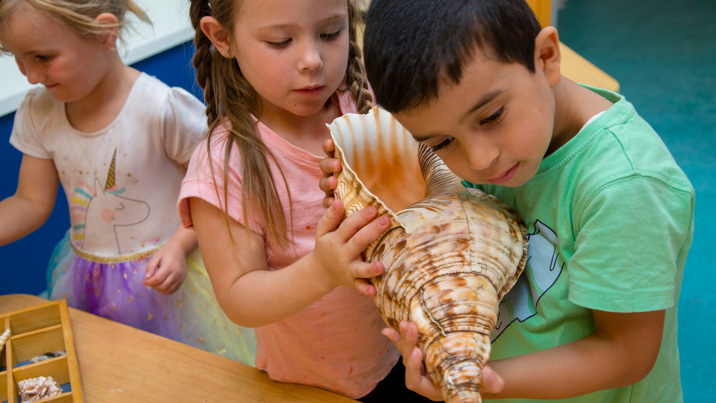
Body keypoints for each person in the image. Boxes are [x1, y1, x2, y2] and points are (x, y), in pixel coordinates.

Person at [319, 0, 695, 401]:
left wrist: (469, 375)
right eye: (442, 142)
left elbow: (627, 353)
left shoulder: (624, 187)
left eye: (492, 116)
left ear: (547, 57)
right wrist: (359, 189)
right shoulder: (503, 142)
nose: (480, 159)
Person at [177, 0, 450, 400]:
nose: (312, 60)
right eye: (280, 40)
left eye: (330, 33)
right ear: (222, 37)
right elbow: (238, 297)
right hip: (313, 386)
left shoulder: (364, 101)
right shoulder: (225, 163)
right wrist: (322, 270)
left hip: (405, 352)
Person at [0, 0, 255, 365]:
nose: (30, 76)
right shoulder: (38, 111)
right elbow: (29, 201)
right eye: (17, 59)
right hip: (87, 281)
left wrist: (179, 247)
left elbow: (221, 190)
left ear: (105, 33)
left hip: (171, 284)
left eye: (41, 57)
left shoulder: (161, 109)